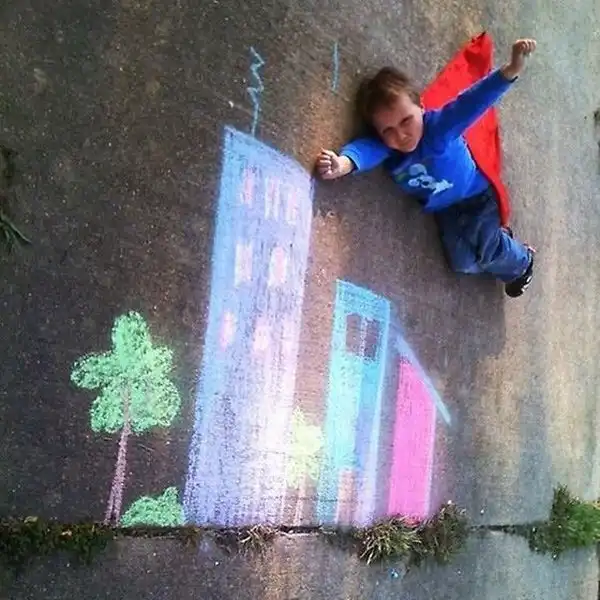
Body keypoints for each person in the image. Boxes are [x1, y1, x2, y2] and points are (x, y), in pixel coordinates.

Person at [316, 39, 537, 298]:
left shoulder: (438, 128)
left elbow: (472, 102)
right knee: (463, 263)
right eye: (388, 130)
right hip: (446, 209)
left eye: (406, 120)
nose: (401, 135)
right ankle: (499, 242)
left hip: (476, 196)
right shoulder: (390, 149)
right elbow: (366, 150)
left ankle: (523, 261)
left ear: (421, 107)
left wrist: (511, 69)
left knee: (487, 251)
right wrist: (342, 163)